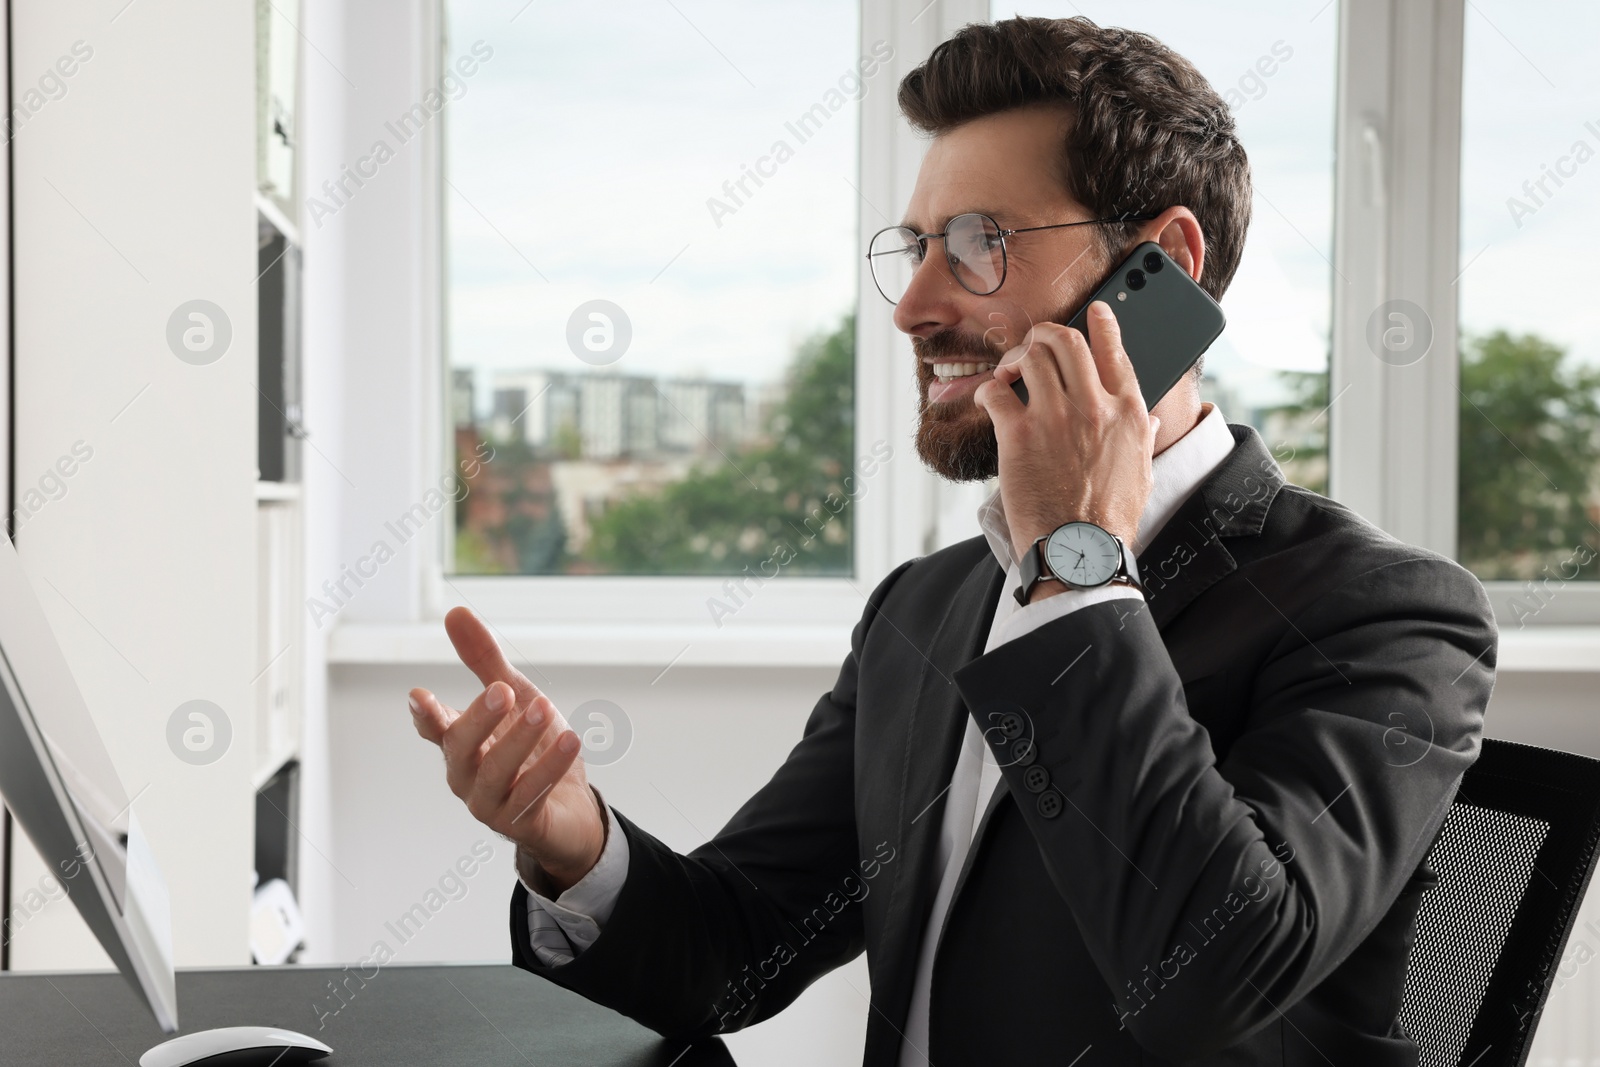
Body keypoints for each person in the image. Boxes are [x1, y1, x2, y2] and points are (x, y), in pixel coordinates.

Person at [408, 15, 1497, 1065]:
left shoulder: (1384, 612)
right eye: (916, 246)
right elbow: (735, 950)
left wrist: (1076, 563)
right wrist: (574, 843)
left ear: (1158, 263)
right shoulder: (922, 608)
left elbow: (1208, 976)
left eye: (980, 242)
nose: (913, 307)